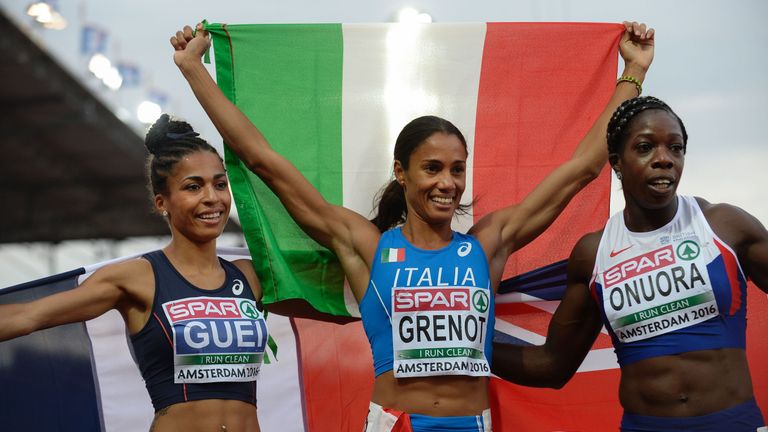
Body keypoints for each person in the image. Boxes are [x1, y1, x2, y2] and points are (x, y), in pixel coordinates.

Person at [171, 21, 654, 431]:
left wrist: (633, 70)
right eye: (432, 168)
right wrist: (194, 70)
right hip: (396, 422)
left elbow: (583, 169)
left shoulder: (488, 244)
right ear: (401, 172)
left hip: (473, 423)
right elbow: (264, 162)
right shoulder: (366, 246)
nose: (447, 183)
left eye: (457, 169)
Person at [492, 96, 768, 431]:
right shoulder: (594, 254)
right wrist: (466, 344)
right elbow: (551, 365)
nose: (664, 160)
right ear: (616, 162)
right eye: (645, 147)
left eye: (675, 148)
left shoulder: (725, 226)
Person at [0, 115, 268, 432]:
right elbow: (28, 316)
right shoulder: (138, 277)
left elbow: (331, 293)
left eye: (220, 184)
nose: (212, 197)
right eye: (193, 186)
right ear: (162, 202)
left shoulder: (249, 276)